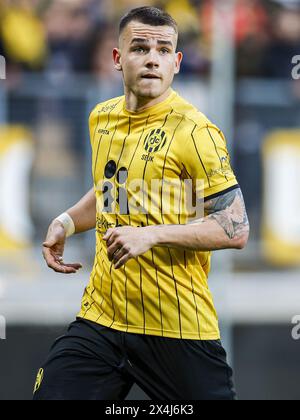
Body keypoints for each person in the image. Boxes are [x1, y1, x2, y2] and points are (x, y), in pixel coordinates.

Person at [33, 6, 249, 401]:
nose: (152, 57)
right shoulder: (101, 118)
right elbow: (112, 191)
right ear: (118, 58)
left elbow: (235, 227)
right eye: (140, 47)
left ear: (177, 62)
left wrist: (151, 235)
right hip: (103, 318)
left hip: (176, 327)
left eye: (164, 50)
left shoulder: (195, 132)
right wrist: (65, 221)